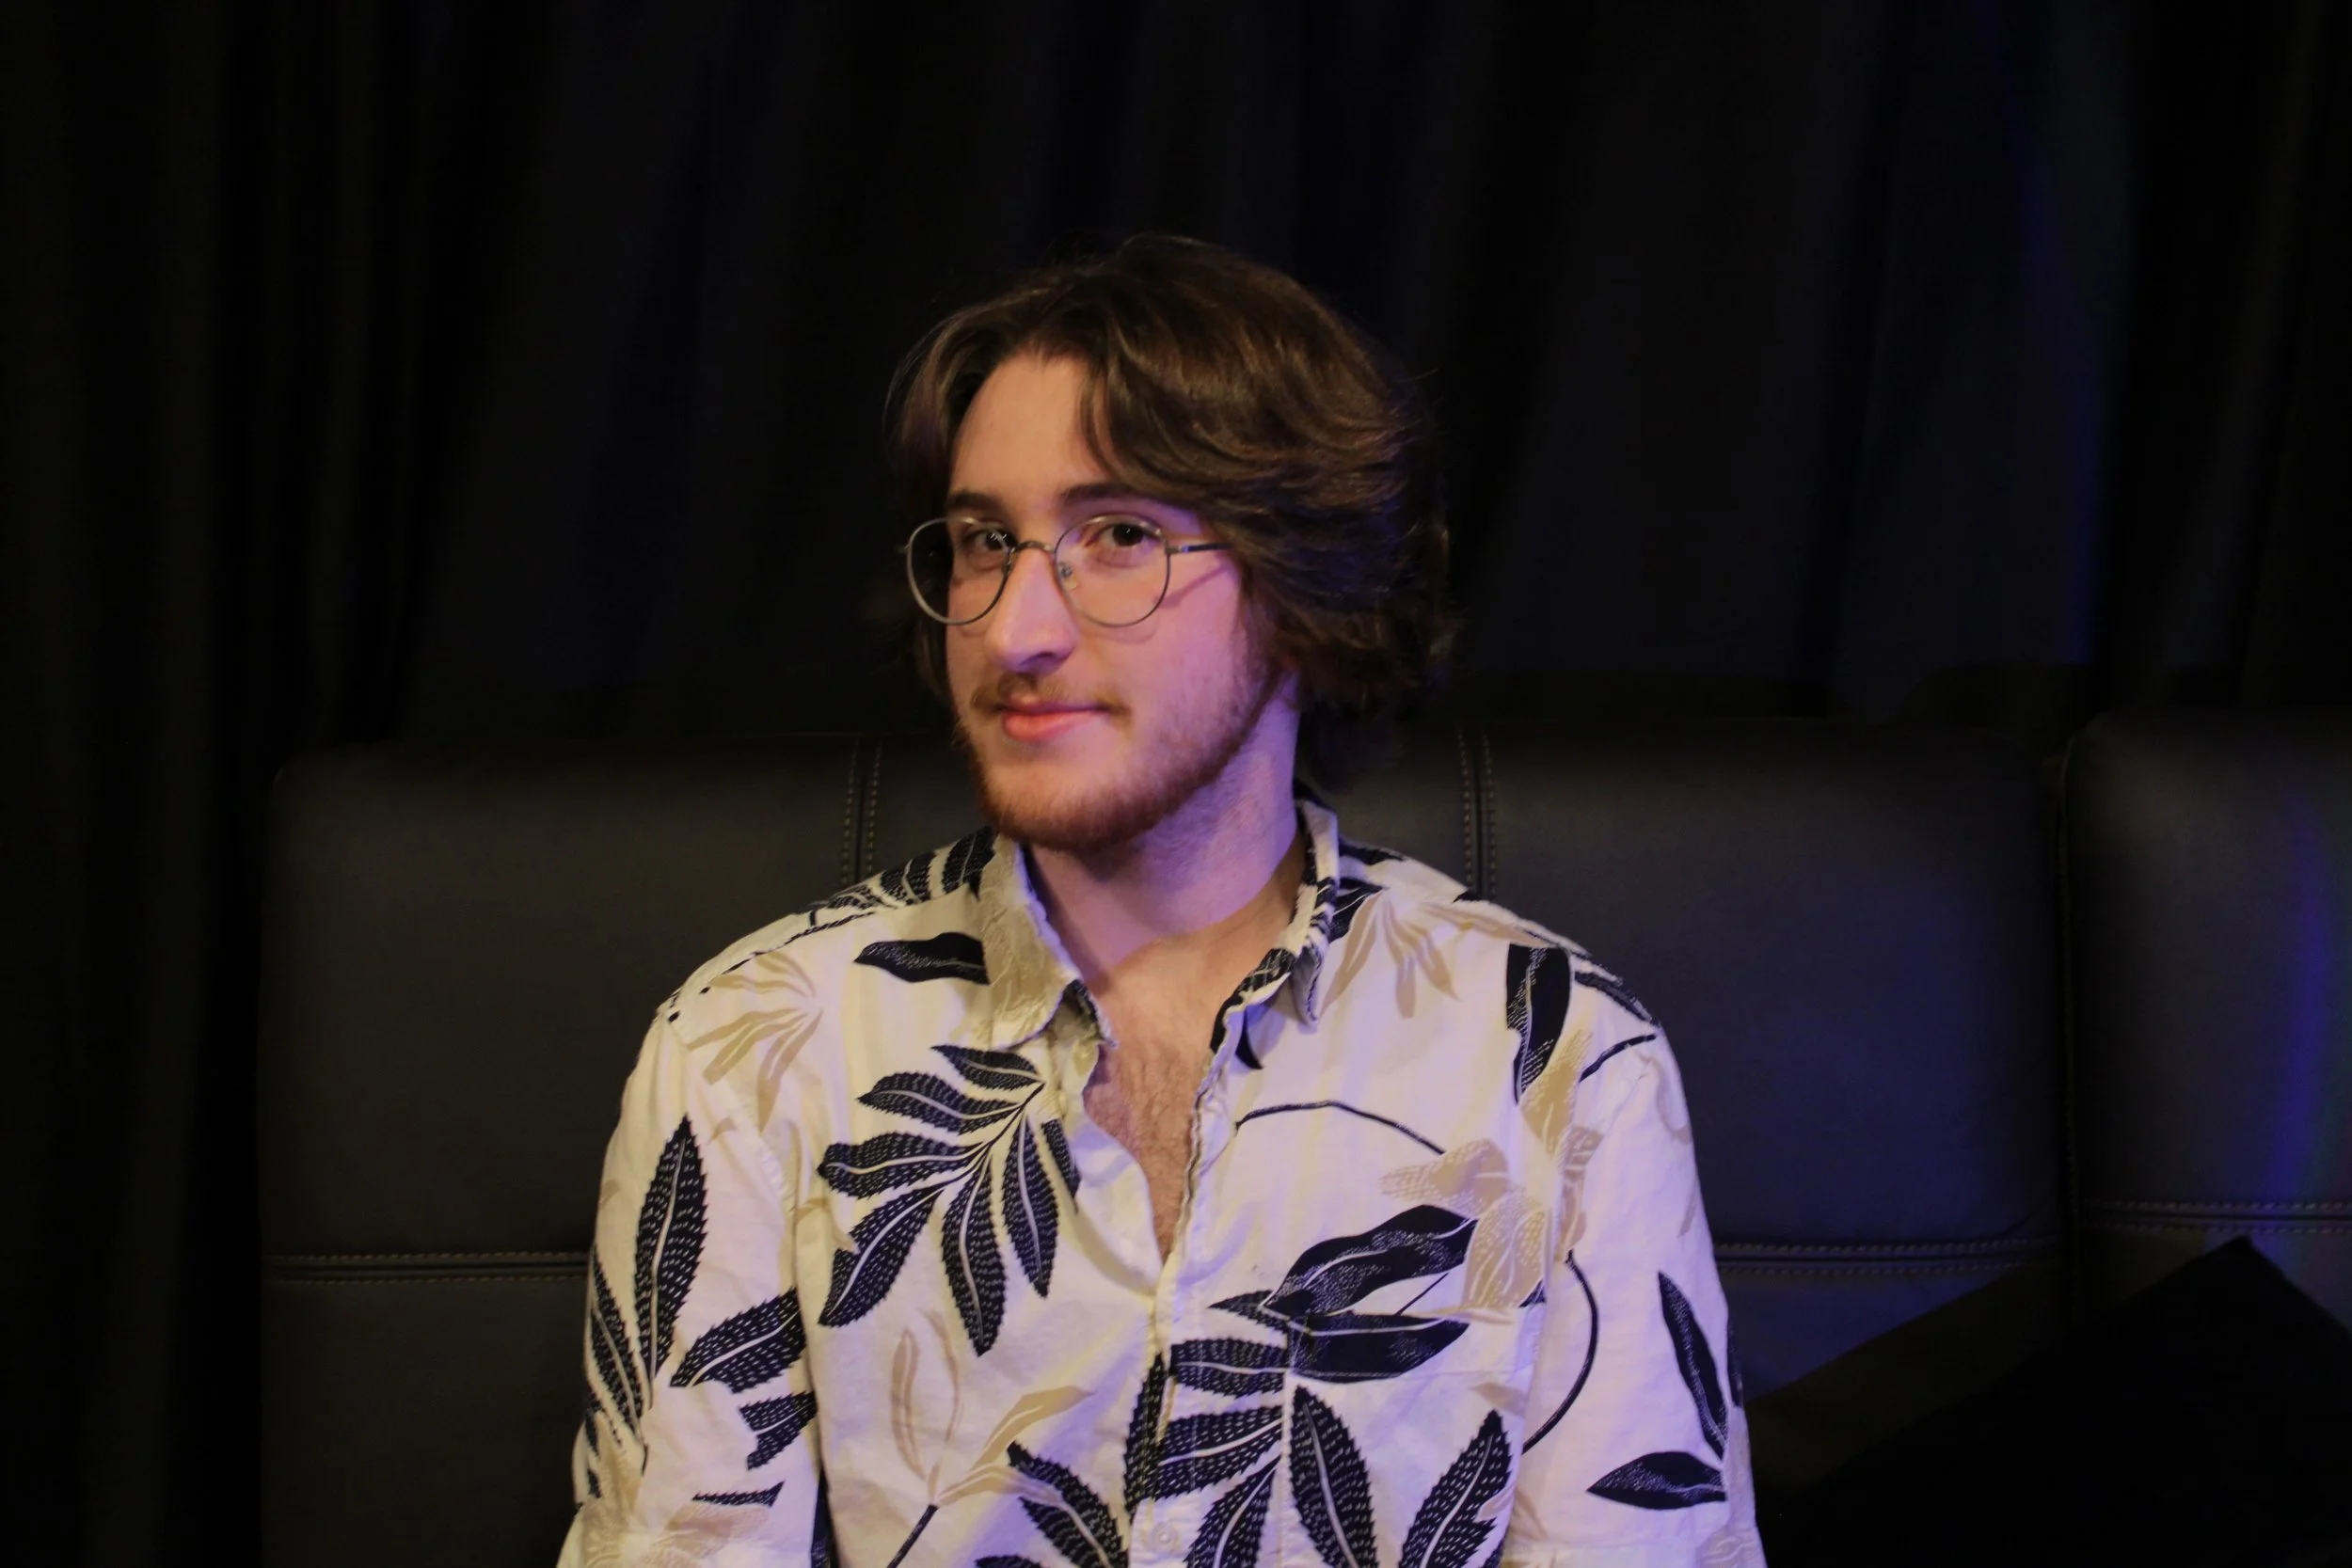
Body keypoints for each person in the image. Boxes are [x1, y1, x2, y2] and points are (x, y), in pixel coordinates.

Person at [562, 236, 1762, 1567]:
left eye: (1118, 534)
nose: (1014, 627)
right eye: (981, 542)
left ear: (1307, 587)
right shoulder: (752, 1051)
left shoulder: (1561, 1058)